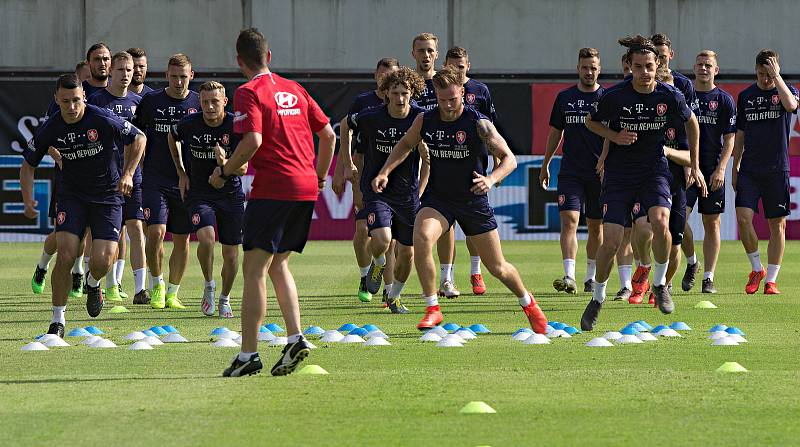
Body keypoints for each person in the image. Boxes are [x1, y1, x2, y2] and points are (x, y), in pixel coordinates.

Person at [372, 65, 548, 334]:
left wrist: (490, 180)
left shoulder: (479, 124)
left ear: (463, 93)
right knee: (421, 237)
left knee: (497, 267)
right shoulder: (425, 120)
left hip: (472, 200)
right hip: (438, 199)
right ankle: (432, 308)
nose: (448, 106)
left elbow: (509, 159)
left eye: (453, 100)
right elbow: (405, 145)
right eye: (442, 100)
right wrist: (385, 171)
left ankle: (529, 303)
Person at [221, 28, 335, 377]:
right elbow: (329, 135)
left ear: (240, 61)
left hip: (273, 188)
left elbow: (252, 139)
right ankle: (295, 336)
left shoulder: (247, 91)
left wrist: (225, 170)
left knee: (254, 268)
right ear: (269, 57)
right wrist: (317, 177)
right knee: (278, 265)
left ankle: (248, 356)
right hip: (304, 188)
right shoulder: (295, 89)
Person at [580, 35, 705, 330]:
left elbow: (693, 124)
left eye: (649, 66)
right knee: (610, 241)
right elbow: (590, 121)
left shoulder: (669, 96)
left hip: (654, 171)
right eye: (638, 67)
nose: (645, 72)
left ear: (658, 64)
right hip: (620, 175)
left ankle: (659, 284)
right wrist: (614, 136)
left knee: (661, 223)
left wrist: (696, 165)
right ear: (630, 67)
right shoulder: (615, 96)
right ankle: (597, 298)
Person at [20, 73, 145, 336]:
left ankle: (92, 282)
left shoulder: (101, 118)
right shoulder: (51, 127)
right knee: (66, 254)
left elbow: (139, 138)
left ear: (84, 97)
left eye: (76, 100)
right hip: (72, 196)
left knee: (102, 260)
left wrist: (128, 174)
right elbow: (28, 165)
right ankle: (57, 320)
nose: (72, 107)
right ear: (57, 99)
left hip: (108, 196)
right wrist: (27, 198)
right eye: (66, 101)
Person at [341, 67, 428, 313]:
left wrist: (420, 190)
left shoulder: (421, 118)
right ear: (386, 93)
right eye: (395, 92)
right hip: (376, 191)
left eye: (405, 93)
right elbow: (345, 125)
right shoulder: (371, 116)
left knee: (407, 255)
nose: (400, 98)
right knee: (382, 239)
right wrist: (348, 164)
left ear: (412, 93)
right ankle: (378, 264)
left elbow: (427, 160)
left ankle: (395, 297)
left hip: (408, 195)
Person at [169, 81, 245, 318]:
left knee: (231, 254)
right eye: (205, 102)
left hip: (231, 195)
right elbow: (172, 137)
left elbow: (243, 168)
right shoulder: (189, 124)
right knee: (207, 238)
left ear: (225, 102)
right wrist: (181, 172)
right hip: (199, 194)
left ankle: (225, 298)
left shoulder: (236, 126)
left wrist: (224, 164)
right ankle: (209, 285)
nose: (210, 107)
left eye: (214, 102)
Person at [133, 53, 200, 309]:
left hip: (186, 182)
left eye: (183, 76)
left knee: (182, 239)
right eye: (174, 76)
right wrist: (134, 168)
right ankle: (157, 284)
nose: (179, 81)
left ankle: (173, 292)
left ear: (191, 75)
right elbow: (136, 136)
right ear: (166, 76)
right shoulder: (151, 101)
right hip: (154, 178)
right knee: (156, 232)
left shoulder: (198, 102)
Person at [332, 57, 399, 304]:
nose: (386, 79)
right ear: (375, 76)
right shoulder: (363, 103)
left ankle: (388, 290)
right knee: (362, 231)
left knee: (390, 239)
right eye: (382, 75)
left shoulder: (404, 103)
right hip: (365, 173)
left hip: (396, 179)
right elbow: (345, 131)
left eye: (391, 75)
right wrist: (343, 168)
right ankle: (365, 276)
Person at [541, 47, 604, 295]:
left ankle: (590, 276)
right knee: (569, 221)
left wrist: (608, 162)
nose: (589, 72)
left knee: (596, 226)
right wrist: (546, 163)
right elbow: (556, 132)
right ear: (578, 68)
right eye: (585, 67)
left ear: (599, 69)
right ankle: (569, 276)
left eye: (593, 68)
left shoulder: (608, 99)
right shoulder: (564, 98)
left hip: (598, 172)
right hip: (570, 172)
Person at [733, 49, 797, 295]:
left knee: (777, 225)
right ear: (755, 71)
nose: (765, 79)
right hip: (750, 168)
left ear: (776, 71)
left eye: (769, 74)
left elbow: (791, 106)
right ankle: (756, 268)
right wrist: (735, 166)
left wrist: (777, 78)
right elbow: (740, 134)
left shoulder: (787, 91)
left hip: (776, 168)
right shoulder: (747, 95)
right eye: (761, 74)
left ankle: (771, 280)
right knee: (743, 218)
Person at [87, 51, 148, 304]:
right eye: (121, 69)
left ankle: (140, 290)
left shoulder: (139, 102)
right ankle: (107, 284)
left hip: (133, 175)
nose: (126, 74)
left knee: (136, 227)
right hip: (104, 178)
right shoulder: (97, 100)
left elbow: (143, 140)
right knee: (112, 232)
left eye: (130, 70)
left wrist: (135, 171)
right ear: (111, 71)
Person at [439, 45, 499, 296]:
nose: (457, 70)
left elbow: (491, 130)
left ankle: (475, 271)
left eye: (461, 66)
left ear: (468, 66)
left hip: (473, 164)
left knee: (473, 225)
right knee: (445, 225)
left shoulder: (480, 91)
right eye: (452, 66)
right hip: (444, 163)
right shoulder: (439, 88)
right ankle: (446, 278)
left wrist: (496, 161)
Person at [682, 50, 736, 293]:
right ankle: (692, 262)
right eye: (700, 64)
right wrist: (686, 165)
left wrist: (721, 169)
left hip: (713, 170)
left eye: (708, 65)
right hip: (686, 169)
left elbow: (730, 139)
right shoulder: (683, 96)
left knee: (711, 222)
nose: (704, 68)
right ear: (694, 68)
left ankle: (708, 278)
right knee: (677, 219)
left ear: (716, 70)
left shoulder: (724, 100)